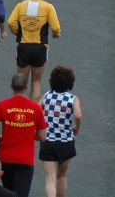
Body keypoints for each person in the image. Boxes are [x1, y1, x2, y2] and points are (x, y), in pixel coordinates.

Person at [0, 74, 45, 197]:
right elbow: (43, 136)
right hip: (25, 161)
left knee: (8, 193)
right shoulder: (35, 108)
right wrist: (26, 133)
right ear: (26, 87)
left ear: (11, 86)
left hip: (5, 159)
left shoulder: (2, 105)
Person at [7, 0, 61, 101]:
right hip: (40, 47)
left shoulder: (21, 5)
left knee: (21, 80)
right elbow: (56, 27)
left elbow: (10, 22)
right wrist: (56, 34)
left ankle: (20, 108)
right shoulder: (47, 7)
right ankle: (33, 109)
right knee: (36, 81)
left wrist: (17, 33)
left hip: (23, 46)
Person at [39, 66, 82, 197]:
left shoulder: (46, 96)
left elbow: (36, 109)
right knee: (62, 176)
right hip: (66, 140)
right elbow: (78, 115)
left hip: (48, 140)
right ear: (70, 83)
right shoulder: (72, 99)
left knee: (50, 179)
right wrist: (77, 127)